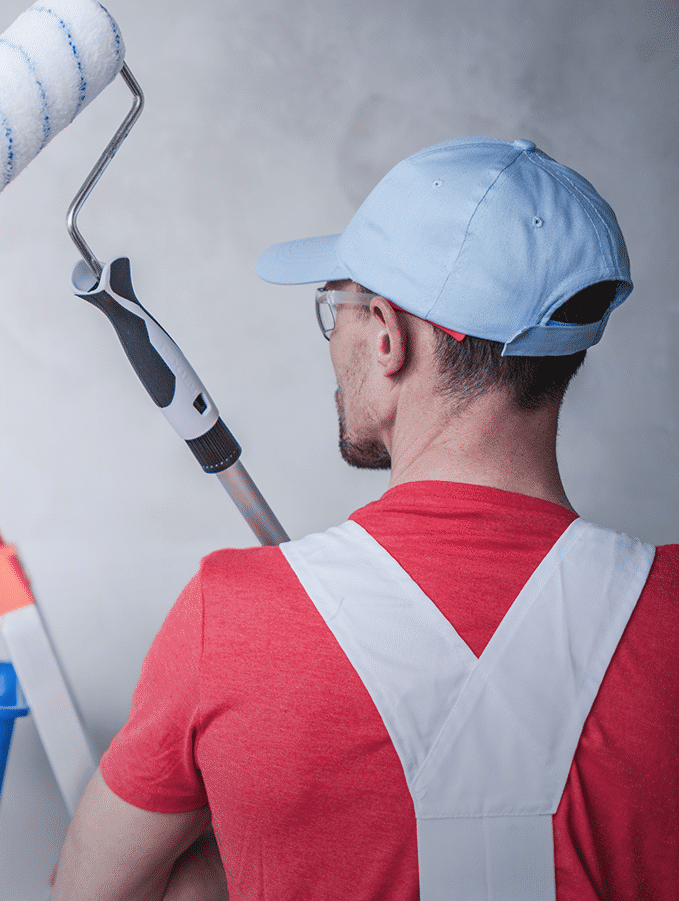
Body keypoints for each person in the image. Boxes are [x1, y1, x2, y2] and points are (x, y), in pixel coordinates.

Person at [49, 137, 679, 900]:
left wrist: (237, 847)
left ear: (387, 335)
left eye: (336, 308)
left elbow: (85, 891)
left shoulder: (235, 617)